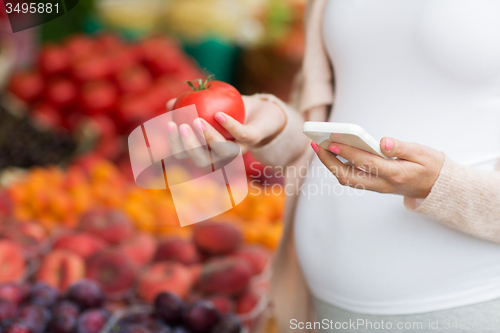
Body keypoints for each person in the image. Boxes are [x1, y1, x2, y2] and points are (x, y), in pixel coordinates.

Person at [167, 0, 500, 331]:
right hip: (324, 302)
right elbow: (332, 120)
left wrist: (444, 186)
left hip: (462, 302)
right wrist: (273, 128)